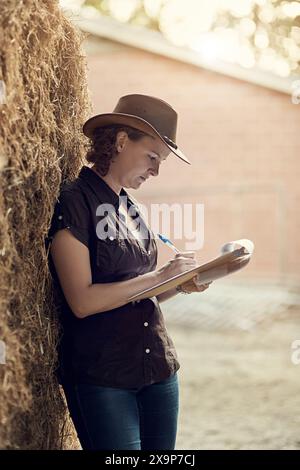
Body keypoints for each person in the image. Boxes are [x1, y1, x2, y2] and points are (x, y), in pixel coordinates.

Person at [45, 94, 211, 450]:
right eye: (153, 157)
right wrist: (160, 276)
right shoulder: (75, 201)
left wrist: (179, 285)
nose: (156, 170)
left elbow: (140, 293)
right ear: (121, 142)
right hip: (103, 376)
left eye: (161, 162)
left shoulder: (129, 207)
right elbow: (83, 301)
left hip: (158, 369)